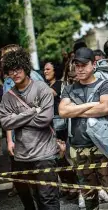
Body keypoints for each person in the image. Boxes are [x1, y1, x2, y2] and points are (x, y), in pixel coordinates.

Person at [59, 47, 108, 210]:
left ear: (93, 64)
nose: (79, 69)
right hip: (78, 148)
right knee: (89, 197)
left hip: (102, 146)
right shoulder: (69, 88)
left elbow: (106, 108)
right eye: (77, 65)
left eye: (83, 65)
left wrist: (76, 110)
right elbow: (63, 112)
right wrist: (90, 105)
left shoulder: (105, 84)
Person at [0, 48, 60, 209]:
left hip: (44, 154)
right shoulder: (7, 96)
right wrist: (33, 111)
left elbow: (44, 120)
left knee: (48, 199)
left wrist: (16, 119)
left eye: (18, 68)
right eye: (11, 70)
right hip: (23, 157)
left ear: (25, 68)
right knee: (36, 198)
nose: (15, 73)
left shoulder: (41, 89)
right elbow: (5, 122)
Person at [0, 44, 45, 198]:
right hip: (17, 138)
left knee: (40, 181)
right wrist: (9, 140)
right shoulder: (8, 80)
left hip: (35, 136)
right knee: (21, 178)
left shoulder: (33, 76)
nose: (2, 60)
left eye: (5, 56)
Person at [43, 61, 78, 200]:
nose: (45, 71)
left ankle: (73, 185)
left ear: (54, 71)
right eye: (44, 69)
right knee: (57, 158)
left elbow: (48, 95)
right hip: (50, 124)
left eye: (48, 69)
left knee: (62, 156)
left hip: (59, 124)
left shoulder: (58, 85)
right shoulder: (47, 86)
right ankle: (66, 185)